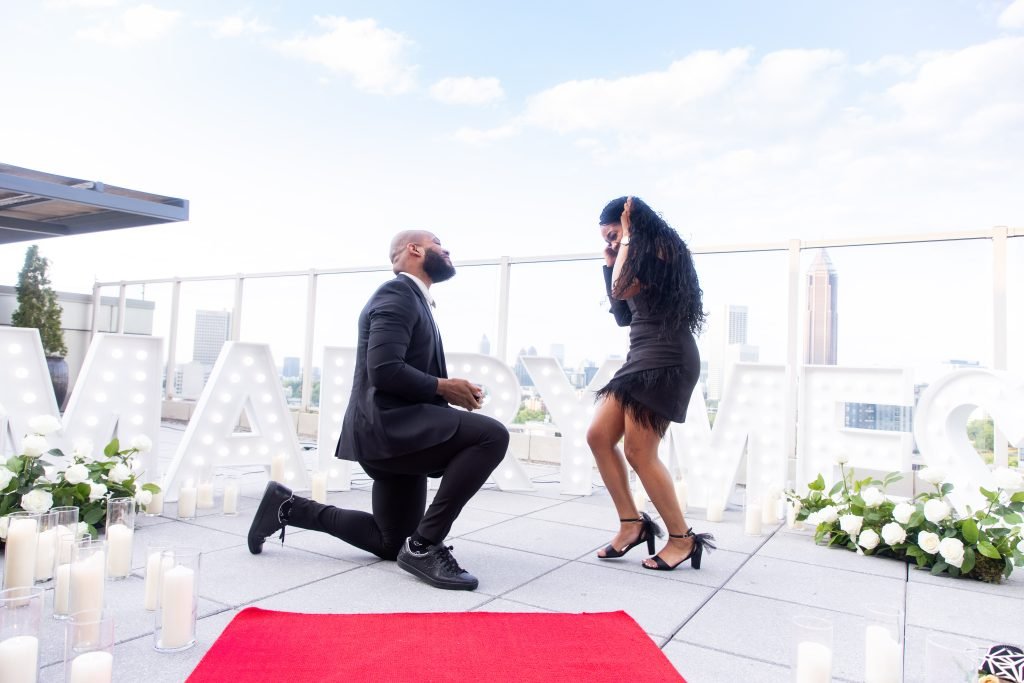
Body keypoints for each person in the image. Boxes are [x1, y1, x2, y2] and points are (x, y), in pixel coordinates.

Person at [247, 230, 509, 591]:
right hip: (391, 431)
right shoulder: (397, 294)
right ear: (414, 249)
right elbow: (384, 370)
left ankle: (287, 507)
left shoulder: (413, 300)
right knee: (491, 435)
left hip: (395, 434)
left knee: (390, 542)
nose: (447, 251)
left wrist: (445, 392)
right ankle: (423, 546)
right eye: (439, 243)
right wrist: (444, 387)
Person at [586, 196, 715, 571]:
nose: (610, 243)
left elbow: (624, 289)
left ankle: (683, 539)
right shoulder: (629, 254)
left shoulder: (660, 250)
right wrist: (611, 262)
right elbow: (623, 316)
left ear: (630, 224)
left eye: (613, 234)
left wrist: (624, 245)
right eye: (606, 239)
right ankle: (632, 524)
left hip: (667, 358)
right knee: (598, 436)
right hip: (640, 355)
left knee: (640, 452)